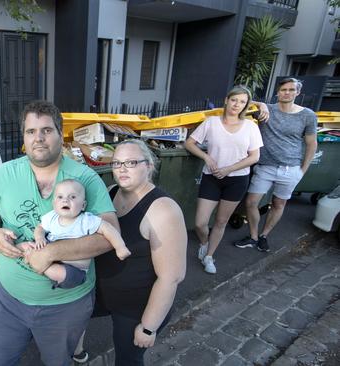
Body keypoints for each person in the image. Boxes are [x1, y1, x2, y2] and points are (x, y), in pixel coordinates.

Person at [0, 100, 118, 366]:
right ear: (23, 137)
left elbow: (110, 233)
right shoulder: (5, 174)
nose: (39, 138)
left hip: (66, 304)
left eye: (46, 130)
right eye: (31, 131)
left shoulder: (84, 179)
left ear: (60, 133)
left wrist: (51, 253)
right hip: (8, 299)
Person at [92, 140, 187, 365]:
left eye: (131, 162)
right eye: (116, 163)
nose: (122, 168)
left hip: (135, 308)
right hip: (104, 293)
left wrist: (148, 327)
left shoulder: (163, 209)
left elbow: (171, 277)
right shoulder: (111, 192)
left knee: (127, 360)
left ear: (150, 166)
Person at [185, 86, 263, 274]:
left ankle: (210, 256)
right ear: (227, 100)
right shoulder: (211, 122)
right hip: (211, 178)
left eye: (242, 102)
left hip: (237, 180)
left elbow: (254, 157)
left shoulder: (251, 127)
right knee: (200, 223)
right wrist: (206, 158)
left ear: (246, 105)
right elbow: (189, 143)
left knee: (221, 222)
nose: (237, 104)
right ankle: (204, 242)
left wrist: (229, 169)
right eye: (234, 99)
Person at [234, 78, 318, 252]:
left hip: (291, 169)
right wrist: (262, 104)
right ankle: (253, 236)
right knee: (251, 202)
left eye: (291, 90)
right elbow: (241, 100)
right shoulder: (266, 110)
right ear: (278, 92)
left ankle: (264, 236)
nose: (286, 92)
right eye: (283, 89)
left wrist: (303, 170)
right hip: (265, 167)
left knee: (278, 204)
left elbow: (312, 144)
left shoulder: (307, 115)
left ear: (297, 93)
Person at [18, 179, 130, 290]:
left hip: (73, 271)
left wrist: (120, 247)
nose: (65, 200)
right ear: (54, 203)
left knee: (62, 274)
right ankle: (27, 251)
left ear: (83, 205)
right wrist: (39, 237)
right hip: (51, 259)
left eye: (72, 197)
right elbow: (40, 228)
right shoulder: (51, 218)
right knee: (31, 245)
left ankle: (32, 258)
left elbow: (108, 228)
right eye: (60, 197)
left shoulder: (86, 220)